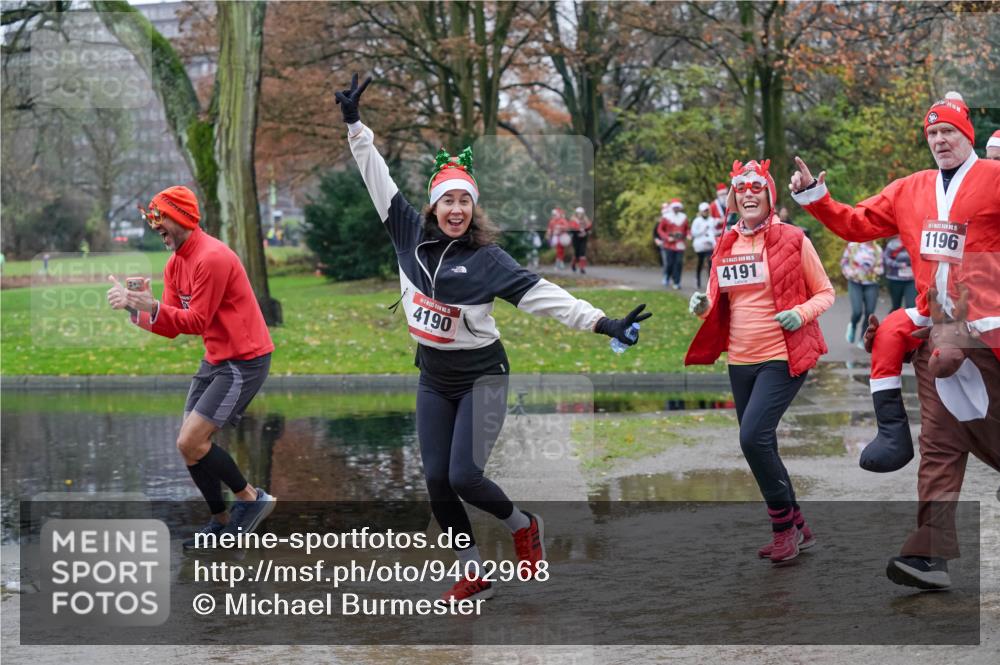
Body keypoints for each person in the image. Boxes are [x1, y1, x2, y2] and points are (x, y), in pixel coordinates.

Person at [336, 73, 652, 602]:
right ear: (433, 207)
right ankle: (472, 568)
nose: (456, 210)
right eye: (447, 201)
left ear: (472, 208)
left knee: (463, 476)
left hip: (483, 376)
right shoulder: (408, 233)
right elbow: (377, 176)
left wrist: (606, 322)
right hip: (434, 379)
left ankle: (523, 525)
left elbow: (547, 296)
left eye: (464, 201)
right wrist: (354, 126)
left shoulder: (488, 260)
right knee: (436, 481)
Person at [790, 91, 1000, 590]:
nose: (939, 140)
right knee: (941, 446)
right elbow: (857, 223)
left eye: (947, 131)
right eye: (931, 133)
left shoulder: (995, 179)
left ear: (966, 135)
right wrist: (815, 197)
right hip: (935, 333)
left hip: (988, 334)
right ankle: (929, 556)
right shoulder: (910, 189)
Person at [106, 185, 277, 548]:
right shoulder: (175, 264)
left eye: (161, 220)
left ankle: (251, 498)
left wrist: (151, 306)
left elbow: (196, 320)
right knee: (189, 446)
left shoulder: (211, 257)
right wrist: (135, 308)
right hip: (216, 357)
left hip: (244, 359)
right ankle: (221, 521)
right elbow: (172, 325)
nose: (156, 227)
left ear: (180, 217)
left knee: (191, 439)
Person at [686, 159, 834, 564]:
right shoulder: (726, 242)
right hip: (740, 358)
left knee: (752, 438)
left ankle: (784, 531)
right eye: (741, 189)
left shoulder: (793, 238)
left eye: (757, 188)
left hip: (782, 356)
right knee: (760, 444)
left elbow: (825, 292)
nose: (749, 194)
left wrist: (800, 314)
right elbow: (719, 302)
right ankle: (800, 525)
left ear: (770, 196)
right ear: (734, 199)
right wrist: (702, 306)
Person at [841, 241, 884, 348]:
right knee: (857, 311)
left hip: (871, 284)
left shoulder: (877, 249)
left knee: (870, 312)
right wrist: (848, 272)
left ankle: (862, 338)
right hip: (855, 282)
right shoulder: (853, 246)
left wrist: (879, 270)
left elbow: (881, 266)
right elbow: (844, 262)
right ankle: (853, 325)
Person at [654, 199, 688, 290]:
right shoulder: (666, 217)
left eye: (678, 207)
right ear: (672, 208)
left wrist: (688, 235)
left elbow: (686, 229)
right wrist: (667, 237)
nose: (676, 209)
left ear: (680, 208)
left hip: (680, 244)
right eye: (675, 207)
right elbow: (660, 230)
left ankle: (677, 282)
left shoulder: (684, 217)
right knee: (669, 263)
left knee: (679, 263)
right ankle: (667, 276)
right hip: (669, 244)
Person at [884, 235, 916, 311]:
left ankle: (909, 322)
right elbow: (886, 258)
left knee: (911, 306)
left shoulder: (915, 241)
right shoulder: (892, 244)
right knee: (896, 306)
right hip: (895, 279)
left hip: (910, 280)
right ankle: (890, 322)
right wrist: (898, 265)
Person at [689, 202, 717, 290]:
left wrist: (713, 241)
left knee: (710, 264)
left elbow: (713, 232)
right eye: (704, 211)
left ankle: (711, 284)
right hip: (700, 246)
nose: (705, 212)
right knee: (700, 263)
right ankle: (697, 280)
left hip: (709, 245)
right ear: (701, 212)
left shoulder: (712, 220)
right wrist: (703, 230)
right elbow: (693, 233)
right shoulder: (696, 221)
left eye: (707, 211)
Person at [568, 206, 593, 274]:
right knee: (577, 253)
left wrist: (585, 231)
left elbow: (589, 227)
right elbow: (572, 229)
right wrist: (578, 231)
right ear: (576, 213)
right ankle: (573, 264)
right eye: (578, 213)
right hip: (576, 239)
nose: (580, 215)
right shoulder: (573, 220)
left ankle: (582, 268)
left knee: (582, 253)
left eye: (581, 213)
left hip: (584, 238)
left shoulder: (586, 220)